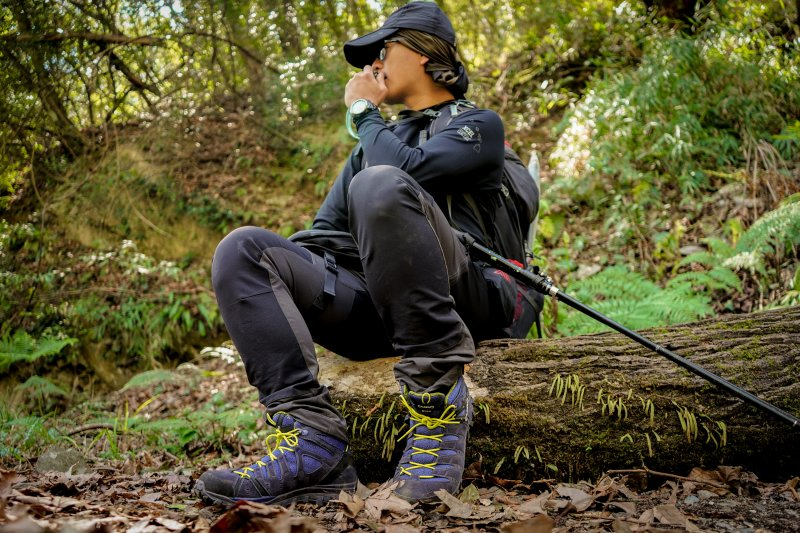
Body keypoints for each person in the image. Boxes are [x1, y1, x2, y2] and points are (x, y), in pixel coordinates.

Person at [194, 0, 532, 507]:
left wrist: (363, 113)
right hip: (385, 310)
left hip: (472, 301)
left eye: (383, 49)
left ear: (421, 53)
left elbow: (403, 173)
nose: (372, 65)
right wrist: (296, 271)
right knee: (243, 250)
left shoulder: (479, 125)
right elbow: (325, 236)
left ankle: (438, 408)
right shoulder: (372, 148)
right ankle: (314, 444)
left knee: (379, 184)